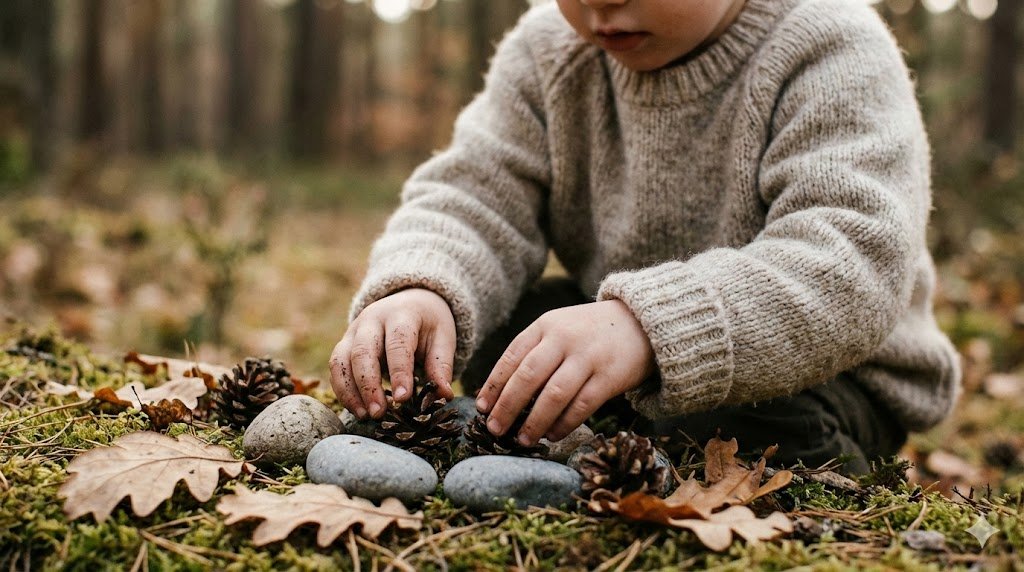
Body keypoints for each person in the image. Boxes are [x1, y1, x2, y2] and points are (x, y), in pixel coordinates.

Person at [329, 0, 962, 475]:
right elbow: (478, 195)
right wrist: (423, 286)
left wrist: (649, 327)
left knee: (727, 427)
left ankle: (818, 483)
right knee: (507, 337)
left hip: (830, 371)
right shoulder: (548, 49)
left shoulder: (831, 45)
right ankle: (615, 452)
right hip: (615, 341)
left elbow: (848, 263)